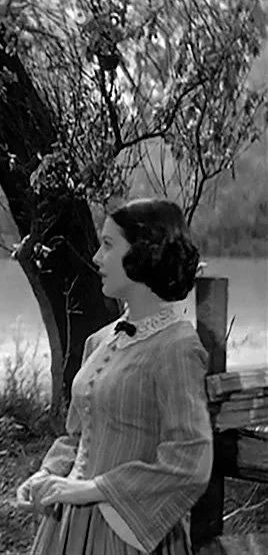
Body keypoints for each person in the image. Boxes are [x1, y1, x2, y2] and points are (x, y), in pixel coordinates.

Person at [15, 198, 213, 554]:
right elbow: (79, 435)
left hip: (125, 533)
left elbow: (190, 460)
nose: (96, 258)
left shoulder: (177, 347)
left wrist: (93, 489)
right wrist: (48, 475)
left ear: (142, 253)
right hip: (67, 527)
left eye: (108, 245)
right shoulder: (101, 341)